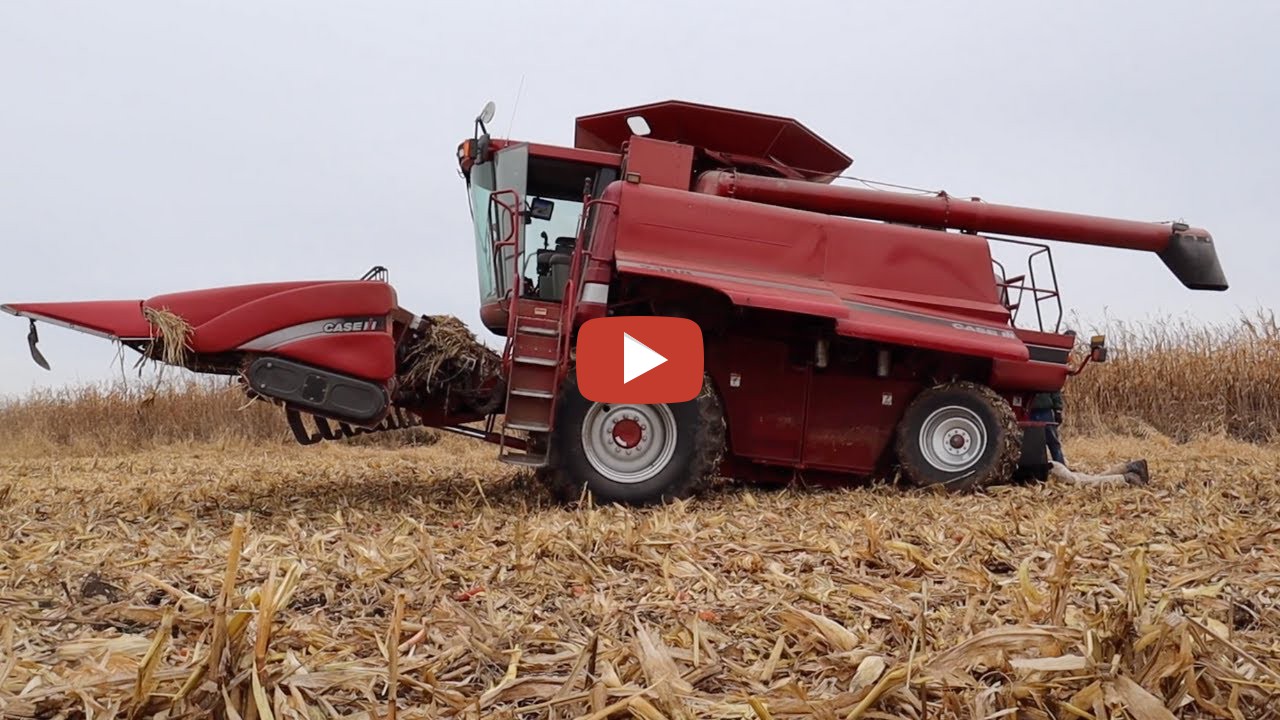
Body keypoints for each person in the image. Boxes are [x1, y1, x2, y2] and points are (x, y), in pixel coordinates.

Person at [1029, 389, 1066, 464]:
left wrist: (1058, 410)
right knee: (1035, 444)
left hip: (1045, 411)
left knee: (1053, 442)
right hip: (1029, 411)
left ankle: (1061, 466)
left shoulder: (1049, 383)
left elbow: (1055, 390)